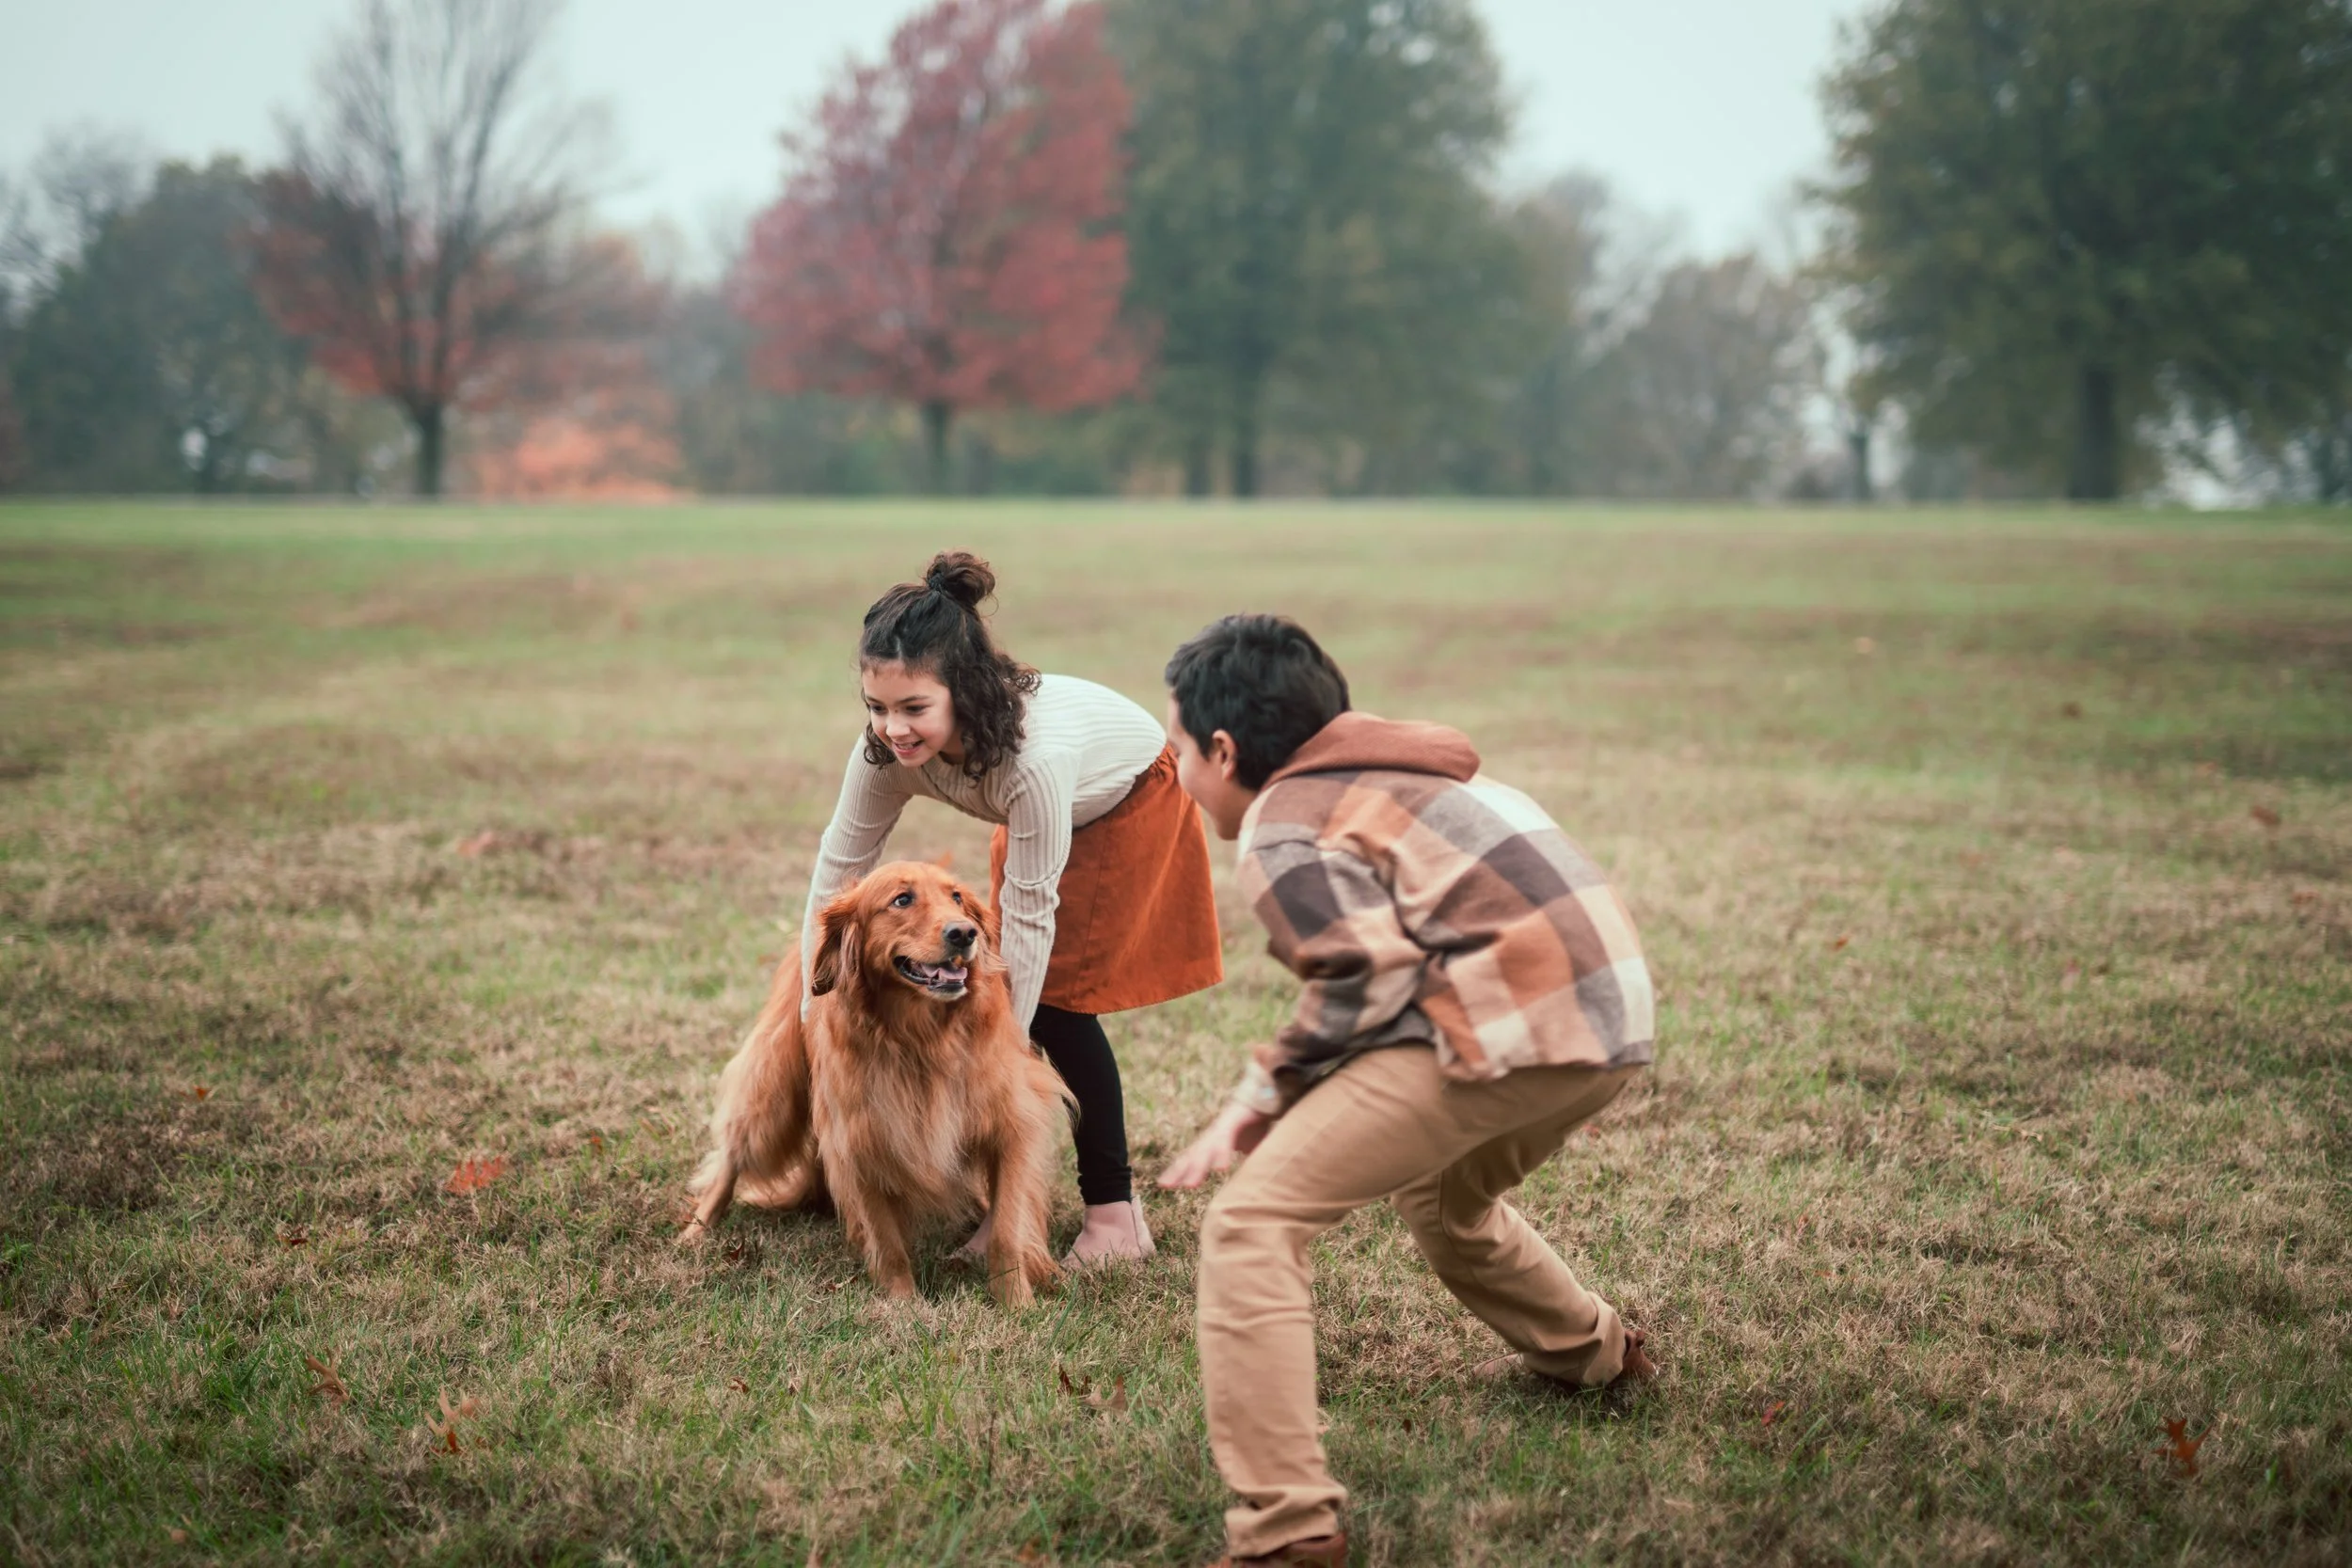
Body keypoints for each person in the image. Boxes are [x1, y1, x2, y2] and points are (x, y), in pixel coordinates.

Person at [1156, 614, 1659, 1568]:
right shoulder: (1402, 769)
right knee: (1444, 1197)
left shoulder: (1282, 823)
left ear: (1223, 750)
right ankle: (1599, 1351)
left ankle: (1285, 1528)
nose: (1177, 770)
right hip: (1614, 1020)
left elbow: (1362, 975)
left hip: (1519, 1020)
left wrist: (1260, 1094)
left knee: (1250, 1225)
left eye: (1178, 747)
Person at [801, 551, 1221, 1264]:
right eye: (876, 707)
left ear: (962, 692)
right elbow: (838, 871)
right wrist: (809, 1015)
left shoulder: (1032, 760)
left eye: (913, 708)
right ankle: (1003, 1202)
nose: (892, 728)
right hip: (1042, 815)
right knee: (999, 979)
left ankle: (1115, 1220)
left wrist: (994, 1047)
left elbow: (1030, 920)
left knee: (1055, 1001)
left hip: (1130, 798)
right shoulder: (882, 752)